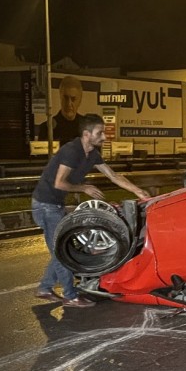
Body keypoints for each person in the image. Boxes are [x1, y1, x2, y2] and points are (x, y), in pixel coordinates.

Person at [31, 113, 151, 307]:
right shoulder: (72, 151)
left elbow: (113, 175)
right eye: (100, 133)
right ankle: (71, 296)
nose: (104, 136)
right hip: (45, 206)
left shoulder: (92, 153)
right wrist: (84, 188)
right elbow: (59, 183)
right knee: (61, 251)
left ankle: (44, 288)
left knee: (60, 250)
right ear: (87, 134)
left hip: (54, 204)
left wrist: (138, 191)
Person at [36, 75, 85, 143]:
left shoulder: (87, 128)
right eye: (66, 98)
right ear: (60, 97)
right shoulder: (47, 129)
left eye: (73, 99)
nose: (69, 104)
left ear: (80, 100)